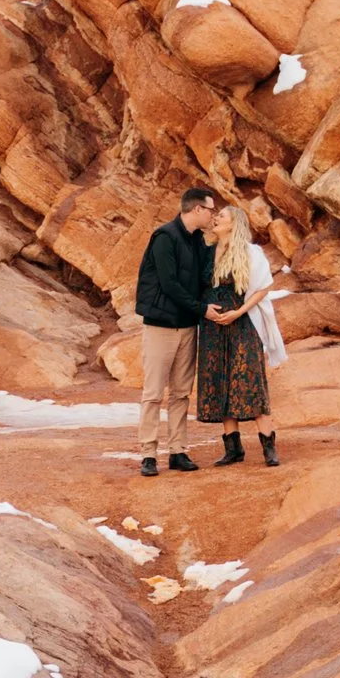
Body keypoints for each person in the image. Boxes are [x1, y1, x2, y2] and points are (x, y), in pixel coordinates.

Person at [132, 184, 219, 475]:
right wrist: (201, 309)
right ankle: (148, 454)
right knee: (154, 392)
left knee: (181, 393)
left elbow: (206, 276)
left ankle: (178, 451)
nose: (213, 215)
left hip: (187, 327)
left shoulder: (198, 241)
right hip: (161, 326)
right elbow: (169, 285)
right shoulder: (165, 237)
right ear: (197, 209)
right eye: (210, 210)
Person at [193, 205, 281, 464]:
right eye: (216, 215)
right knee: (220, 379)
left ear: (234, 223)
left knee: (249, 380)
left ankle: (269, 447)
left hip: (242, 324)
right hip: (212, 327)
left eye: (221, 216)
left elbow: (263, 287)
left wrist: (239, 312)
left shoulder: (249, 252)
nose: (216, 218)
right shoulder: (207, 253)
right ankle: (233, 448)